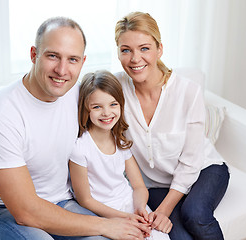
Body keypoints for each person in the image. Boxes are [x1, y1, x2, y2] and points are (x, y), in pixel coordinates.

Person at [0, 16, 150, 240]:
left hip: (64, 202)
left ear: (83, 62)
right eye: (52, 56)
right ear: (33, 54)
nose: (62, 70)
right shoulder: (0, 115)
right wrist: (106, 225)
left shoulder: (77, 96)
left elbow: (111, 116)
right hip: (5, 212)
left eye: (73, 60)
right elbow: (25, 211)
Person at [114, 12, 230, 240]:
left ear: (160, 49)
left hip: (204, 169)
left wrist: (165, 209)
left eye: (144, 48)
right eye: (126, 50)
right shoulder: (115, 89)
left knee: (194, 214)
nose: (135, 58)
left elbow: (191, 160)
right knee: (176, 236)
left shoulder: (187, 91)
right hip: (155, 184)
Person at [69, 70, 172, 240]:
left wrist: (140, 209)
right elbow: (85, 200)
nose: (106, 113)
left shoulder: (120, 141)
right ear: (86, 109)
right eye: (97, 107)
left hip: (130, 204)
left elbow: (138, 186)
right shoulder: (80, 148)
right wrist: (125, 218)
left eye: (113, 104)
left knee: (160, 237)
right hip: (104, 212)